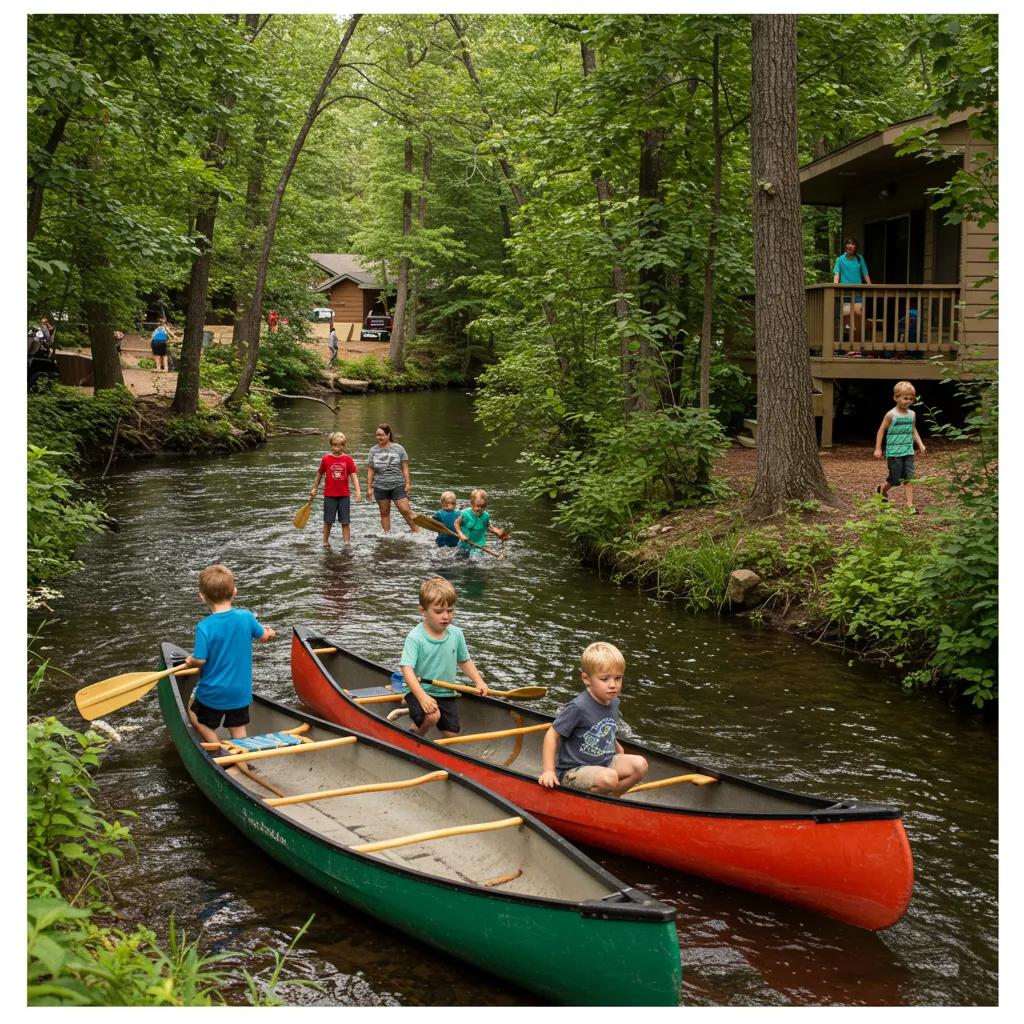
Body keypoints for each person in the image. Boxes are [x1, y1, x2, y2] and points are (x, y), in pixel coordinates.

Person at [539, 642, 648, 797]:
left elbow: (606, 726)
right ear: (586, 678)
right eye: (605, 679)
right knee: (610, 778)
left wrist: (617, 747)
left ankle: (609, 799)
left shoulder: (613, 701)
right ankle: (599, 800)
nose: (613, 685)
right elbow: (551, 735)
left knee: (640, 765)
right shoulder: (578, 707)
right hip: (575, 771)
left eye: (618, 678)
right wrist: (548, 771)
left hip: (604, 762)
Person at [183, 564, 276, 744]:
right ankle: (242, 759)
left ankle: (215, 745)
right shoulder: (246, 617)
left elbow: (200, 660)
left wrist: (189, 660)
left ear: (202, 597)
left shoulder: (204, 627)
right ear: (234, 592)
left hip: (212, 693)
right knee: (238, 728)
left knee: (194, 715)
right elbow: (264, 636)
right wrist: (270, 633)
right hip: (240, 692)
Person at [398, 577, 488, 737]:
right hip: (419, 690)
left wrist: (479, 681)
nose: (446, 616)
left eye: (450, 610)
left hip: (445, 692)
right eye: (439, 612)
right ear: (423, 611)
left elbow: (464, 660)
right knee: (433, 715)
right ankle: (414, 734)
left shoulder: (456, 634)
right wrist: (422, 697)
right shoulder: (415, 637)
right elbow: (407, 670)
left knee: (451, 735)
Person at [874, 380, 926, 512]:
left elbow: (913, 430)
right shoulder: (891, 415)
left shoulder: (912, 414)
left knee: (908, 478)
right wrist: (878, 448)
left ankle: (910, 506)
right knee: (894, 479)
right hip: (894, 452)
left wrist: (920, 444)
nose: (908, 401)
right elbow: (881, 431)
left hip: (908, 451)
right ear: (896, 398)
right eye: (905, 398)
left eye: (911, 399)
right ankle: (881, 489)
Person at [365, 422, 419, 534]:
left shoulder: (399, 449)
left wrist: (408, 483)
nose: (379, 437)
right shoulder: (373, 451)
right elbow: (371, 470)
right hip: (380, 486)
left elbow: (405, 467)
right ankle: (387, 535)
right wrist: (369, 488)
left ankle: (417, 531)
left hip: (397, 485)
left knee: (405, 510)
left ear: (388, 434)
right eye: (377, 435)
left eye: (382, 435)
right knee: (384, 513)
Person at [310, 431, 362, 545]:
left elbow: (354, 476)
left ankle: (346, 542)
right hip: (329, 495)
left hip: (344, 495)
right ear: (331, 445)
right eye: (334, 445)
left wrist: (358, 491)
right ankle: (325, 541)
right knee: (328, 521)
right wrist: (315, 488)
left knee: (345, 521)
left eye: (339, 445)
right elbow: (319, 474)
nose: (336, 448)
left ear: (343, 446)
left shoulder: (348, 459)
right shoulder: (326, 459)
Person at [833, 237, 872, 345]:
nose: (850, 246)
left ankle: (857, 344)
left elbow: (865, 274)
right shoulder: (840, 259)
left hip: (858, 291)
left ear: (855, 247)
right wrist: (835, 285)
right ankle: (849, 344)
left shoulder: (860, 258)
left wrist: (871, 286)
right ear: (845, 246)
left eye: (853, 244)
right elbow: (837, 275)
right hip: (845, 292)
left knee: (858, 315)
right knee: (847, 319)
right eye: (848, 244)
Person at [454, 488, 509, 559]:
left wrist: (500, 533)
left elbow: (489, 527)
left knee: (475, 560)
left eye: (483, 506)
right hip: (464, 543)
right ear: (472, 503)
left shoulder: (485, 516)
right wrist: (461, 535)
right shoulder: (464, 513)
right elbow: (456, 524)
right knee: (458, 558)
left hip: (478, 544)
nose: (480, 509)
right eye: (478, 506)